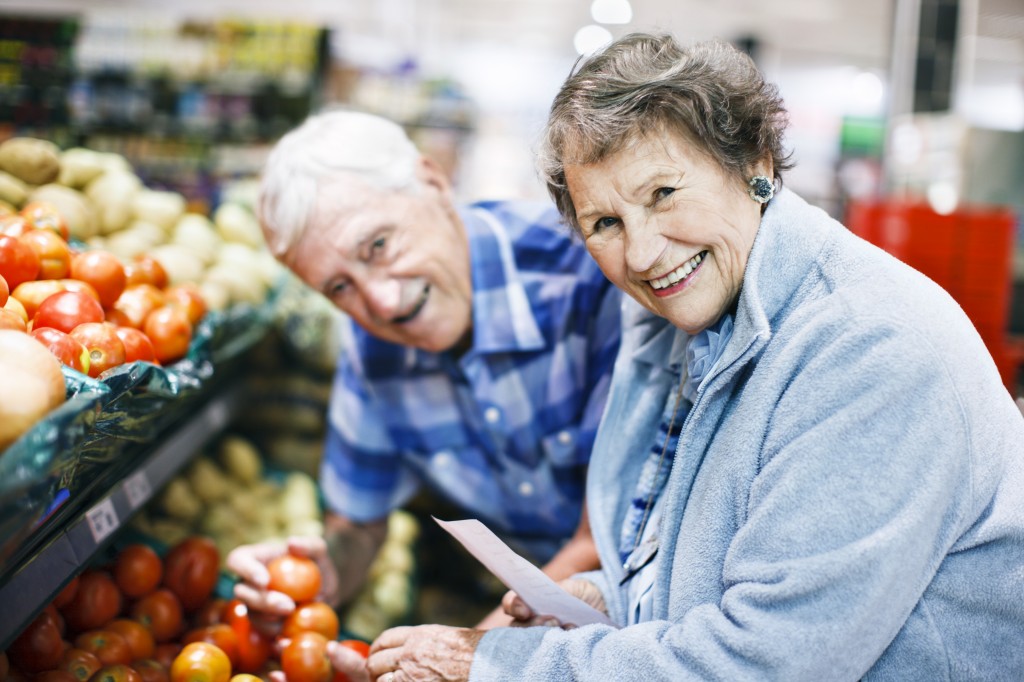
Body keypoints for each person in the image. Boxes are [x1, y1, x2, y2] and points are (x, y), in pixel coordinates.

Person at [323, 33, 1024, 681]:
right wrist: (596, 599)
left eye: (663, 194)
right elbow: (699, 567)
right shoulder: (678, 326)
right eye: (604, 223)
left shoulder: (867, 352)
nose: (644, 253)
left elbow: (769, 661)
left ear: (753, 164)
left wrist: (502, 664)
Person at [227, 109, 622, 630]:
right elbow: (358, 526)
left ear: (432, 181)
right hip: (517, 602)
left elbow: (608, 542)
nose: (383, 302)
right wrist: (320, 574)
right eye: (339, 287)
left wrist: (467, 657)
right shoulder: (372, 349)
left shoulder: (592, 274)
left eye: (378, 246)